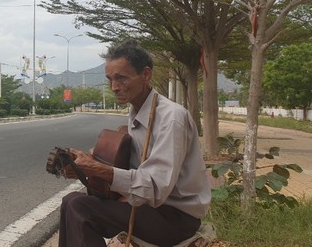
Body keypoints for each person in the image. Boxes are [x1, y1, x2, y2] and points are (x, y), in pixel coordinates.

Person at [58, 40, 210, 247]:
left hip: (174, 217)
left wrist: (98, 168)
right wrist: (86, 170)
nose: (114, 87)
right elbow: (131, 169)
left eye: (121, 78)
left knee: (80, 207)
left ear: (146, 74)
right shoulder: (136, 114)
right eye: (110, 79)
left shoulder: (171, 118)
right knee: (69, 201)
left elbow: (156, 187)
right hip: (150, 208)